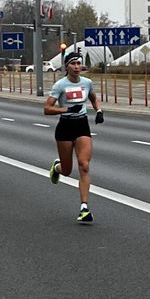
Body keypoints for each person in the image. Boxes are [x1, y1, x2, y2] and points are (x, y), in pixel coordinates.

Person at [43, 52, 104, 223]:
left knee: (84, 165)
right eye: (73, 64)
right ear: (66, 67)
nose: (77, 67)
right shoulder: (60, 85)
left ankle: (84, 207)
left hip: (82, 125)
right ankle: (57, 168)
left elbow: (92, 96)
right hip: (65, 126)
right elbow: (47, 109)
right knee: (68, 170)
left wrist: (98, 111)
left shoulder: (87, 83)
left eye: (79, 63)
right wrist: (66, 110)